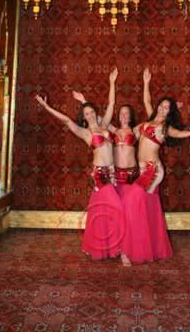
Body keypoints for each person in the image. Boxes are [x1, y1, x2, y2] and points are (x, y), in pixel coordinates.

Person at [35, 67, 126, 262]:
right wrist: (46, 106)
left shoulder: (104, 125)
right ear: (84, 117)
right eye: (87, 113)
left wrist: (111, 82)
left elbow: (111, 103)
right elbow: (66, 120)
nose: (90, 115)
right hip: (100, 174)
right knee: (117, 207)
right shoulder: (85, 133)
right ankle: (122, 249)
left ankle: (107, 248)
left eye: (92, 112)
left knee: (104, 211)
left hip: (113, 172)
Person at [120, 67, 190, 264]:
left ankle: (127, 249)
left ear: (170, 112)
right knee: (144, 207)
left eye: (167, 108)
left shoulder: (165, 127)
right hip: (141, 169)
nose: (162, 109)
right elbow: (147, 101)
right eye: (161, 105)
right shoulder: (150, 120)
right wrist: (146, 83)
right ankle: (145, 246)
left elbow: (178, 134)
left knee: (132, 201)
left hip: (153, 170)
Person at [73, 90, 139, 199]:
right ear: (118, 116)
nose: (124, 115)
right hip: (115, 172)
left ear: (131, 116)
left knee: (129, 201)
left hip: (130, 173)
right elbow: (93, 117)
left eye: (126, 113)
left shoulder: (135, 130)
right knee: (113, 201)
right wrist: (84, 101)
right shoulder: (111, 128)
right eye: (121, 113)